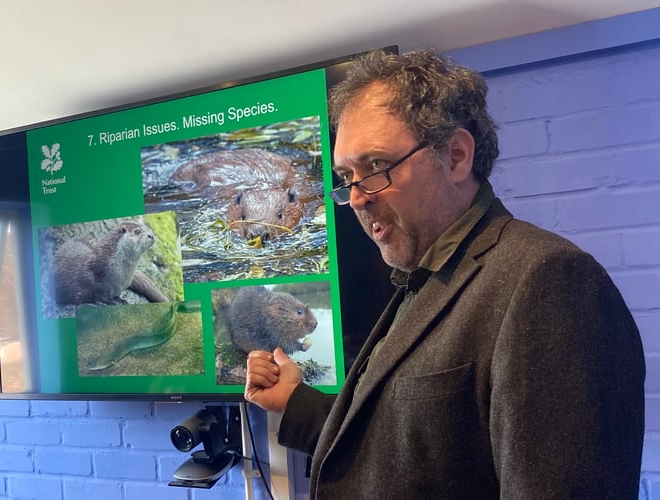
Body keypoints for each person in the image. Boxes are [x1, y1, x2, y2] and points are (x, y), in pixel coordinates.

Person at [244, 48, 645, 499]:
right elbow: (412, 449)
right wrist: (297, 404)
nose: (356, 199)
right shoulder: (424, 276)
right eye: (346, 177)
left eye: (376, 167)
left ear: (455, 156)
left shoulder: (548, 282)